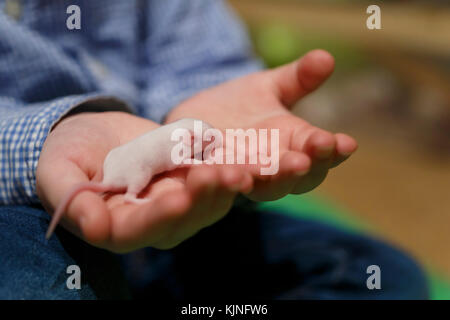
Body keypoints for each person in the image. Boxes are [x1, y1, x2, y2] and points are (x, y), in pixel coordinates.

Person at [0, 0, 428, 299]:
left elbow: (198, 62)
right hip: (20, 209)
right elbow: (176, 151)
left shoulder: (185, 140)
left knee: (390, 278)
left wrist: (210, 91)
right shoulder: (179, 147)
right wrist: (51, 138)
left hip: (178, 222)